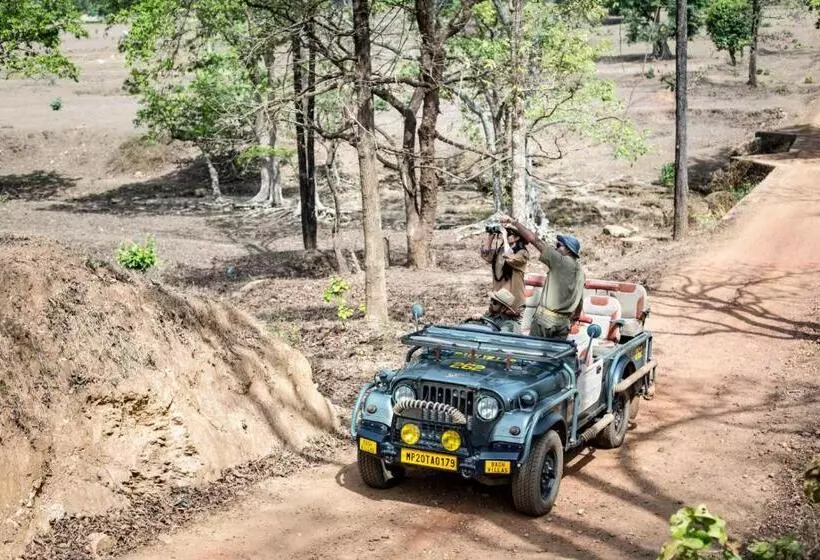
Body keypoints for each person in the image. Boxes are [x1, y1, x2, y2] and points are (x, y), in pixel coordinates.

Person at [500, 215, 584, 339]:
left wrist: (514, 222)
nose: (555, 248)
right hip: (563, 324)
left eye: (558, 245)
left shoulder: (559, 260)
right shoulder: (581, 272)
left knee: (533, 350)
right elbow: (580, 300)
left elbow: (535, 241)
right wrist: (575, 318)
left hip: (545, 320)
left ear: (568, 250)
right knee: (556, 352)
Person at [479, 223, 529, 311]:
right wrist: (490, 237)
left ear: (517, 238)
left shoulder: (522, 253)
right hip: (499, 294)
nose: (505, 235)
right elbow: (486, 254)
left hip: (513, 295)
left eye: (509, 234)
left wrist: (505, 238)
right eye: (506, 233)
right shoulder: (500, 251)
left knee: (511, 314)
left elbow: (509, 256)